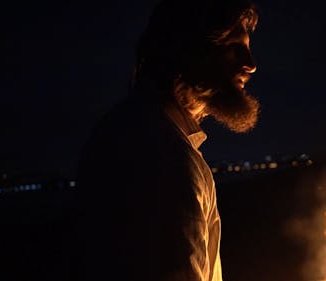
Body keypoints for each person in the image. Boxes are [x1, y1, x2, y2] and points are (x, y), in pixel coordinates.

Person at [76, 0, 260, 280]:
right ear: (192, 50)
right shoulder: (162, 156)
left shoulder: (139, 130)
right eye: (234, 48)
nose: (251, 65)